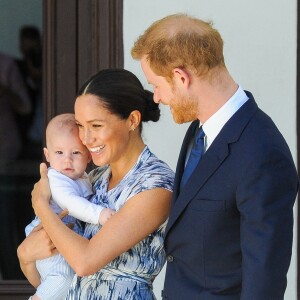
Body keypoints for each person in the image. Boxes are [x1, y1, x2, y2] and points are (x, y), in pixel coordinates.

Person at [131, 13, 299, 300]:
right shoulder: (198, 128)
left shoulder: (263, 153)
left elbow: (264, 281)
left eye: (155, 85)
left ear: (180, 77)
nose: (156, 97)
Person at [17, 68, 175, 299]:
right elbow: (53, 281)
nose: (85, 138)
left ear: (132, 120)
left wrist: (41, 204)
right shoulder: (93, 180)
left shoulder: (155, 184)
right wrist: (24, 256)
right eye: (80, 125)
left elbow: (84, 262)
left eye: (96, 126)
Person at [25, 113, 115, 300]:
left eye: (75, 153)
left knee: (64, 282)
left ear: (88, 156)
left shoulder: (83, 179)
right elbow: (72, 204)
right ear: (47, 155)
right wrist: (100, 214)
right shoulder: (56, 179)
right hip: (46, 236)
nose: (67, 160)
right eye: (59, 153)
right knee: (62, 278)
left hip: (61, 236)